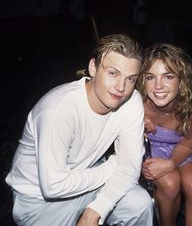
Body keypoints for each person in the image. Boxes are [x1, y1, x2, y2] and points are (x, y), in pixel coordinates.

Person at [5, 34, 153, 226]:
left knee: (139, 204)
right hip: (39, 200)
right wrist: (112, 166)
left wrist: (97, 209)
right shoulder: (58, 109)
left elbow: (130, 168)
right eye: (112, 73)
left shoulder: (132, 101)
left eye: (130, 79)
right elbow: (53, 187)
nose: (121, 87)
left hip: (89, 177)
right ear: (93, 68)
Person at [137, 43, 192, 226]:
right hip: (144, 148)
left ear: (181, 79)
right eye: (150, 77)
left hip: (180, 149)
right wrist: (135, 122)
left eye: (168, 76)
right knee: (170, 183)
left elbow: (187, 144)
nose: (158, 86)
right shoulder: (135, 103)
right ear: (142, 80)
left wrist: (170, 163)